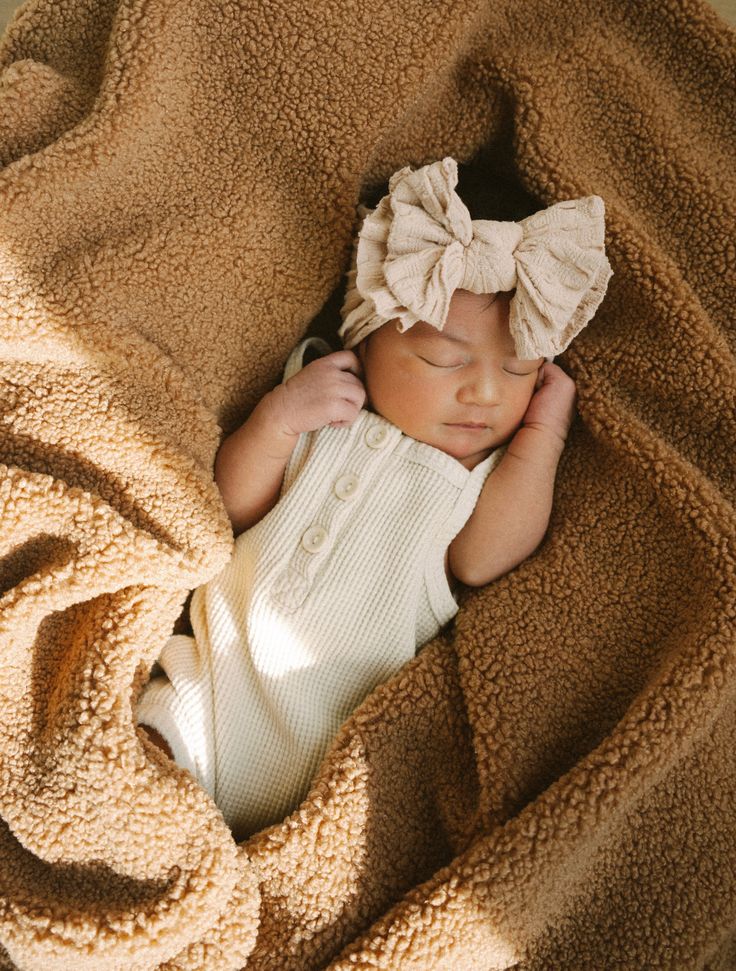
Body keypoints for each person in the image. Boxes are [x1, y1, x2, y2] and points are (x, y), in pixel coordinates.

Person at [136, 156, 613, 840]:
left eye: (517, 369)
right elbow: (232, 506)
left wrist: (544, 428)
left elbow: (482, 560)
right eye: (445, 359)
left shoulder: (475, 481)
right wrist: (275, 422)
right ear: (364, 334)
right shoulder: (319, 402)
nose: (484, 392)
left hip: (322, 764)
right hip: (203, 697)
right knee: (140, 777)